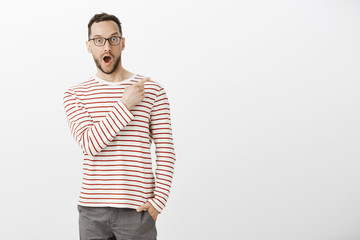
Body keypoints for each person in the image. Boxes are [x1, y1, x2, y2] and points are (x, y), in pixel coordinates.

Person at [62, 12, 176, 240]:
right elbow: (89, 144)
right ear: (89, 46)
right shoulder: (75, 95)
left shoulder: (152, 90)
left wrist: (158, 202)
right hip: (92, 213)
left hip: (138, 212)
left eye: (113, 39)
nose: (106, 46)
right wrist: (124, 104)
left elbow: (166, 152)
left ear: (122, 43)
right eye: (98, 40)